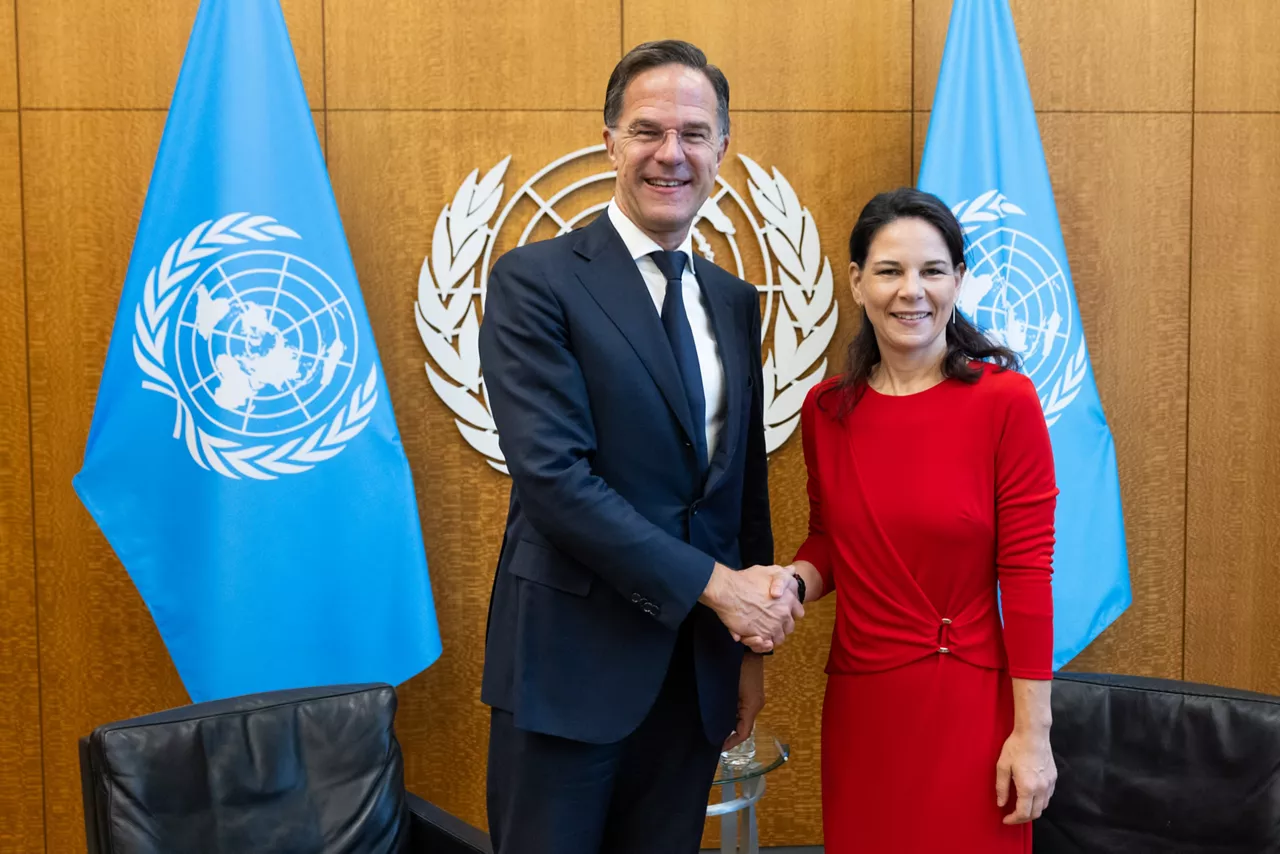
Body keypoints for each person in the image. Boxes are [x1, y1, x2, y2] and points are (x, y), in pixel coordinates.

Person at [477, 39, 804, 854]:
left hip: (692, 678)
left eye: (694, 134)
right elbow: (556, 480)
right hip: (569, 674)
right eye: (648, 130)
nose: (672, 154)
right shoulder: (535, 280)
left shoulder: (732, 300)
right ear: (610, 142)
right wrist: (719, 589)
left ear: (722, 150)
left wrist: (747, 648)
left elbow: (738, 493)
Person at [779, 187, 1058, 851]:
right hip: (864, 705)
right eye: (889, 271)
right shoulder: (825, 412)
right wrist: (792, 583)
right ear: (856, 282)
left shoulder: (1005, 403)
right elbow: (830, 541)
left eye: (933, 271)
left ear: (959, 280)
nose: (912, 291)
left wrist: (1033, 734)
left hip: (971, 703)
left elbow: (1026, 574)